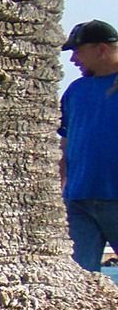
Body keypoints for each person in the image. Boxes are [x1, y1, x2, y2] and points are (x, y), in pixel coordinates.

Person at [60, 19, 118, 272]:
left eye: (78, 51)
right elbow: (64, 145)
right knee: (78, 279)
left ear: (101, 49)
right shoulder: (75, 90)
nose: (73, 59)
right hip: (78, 200)